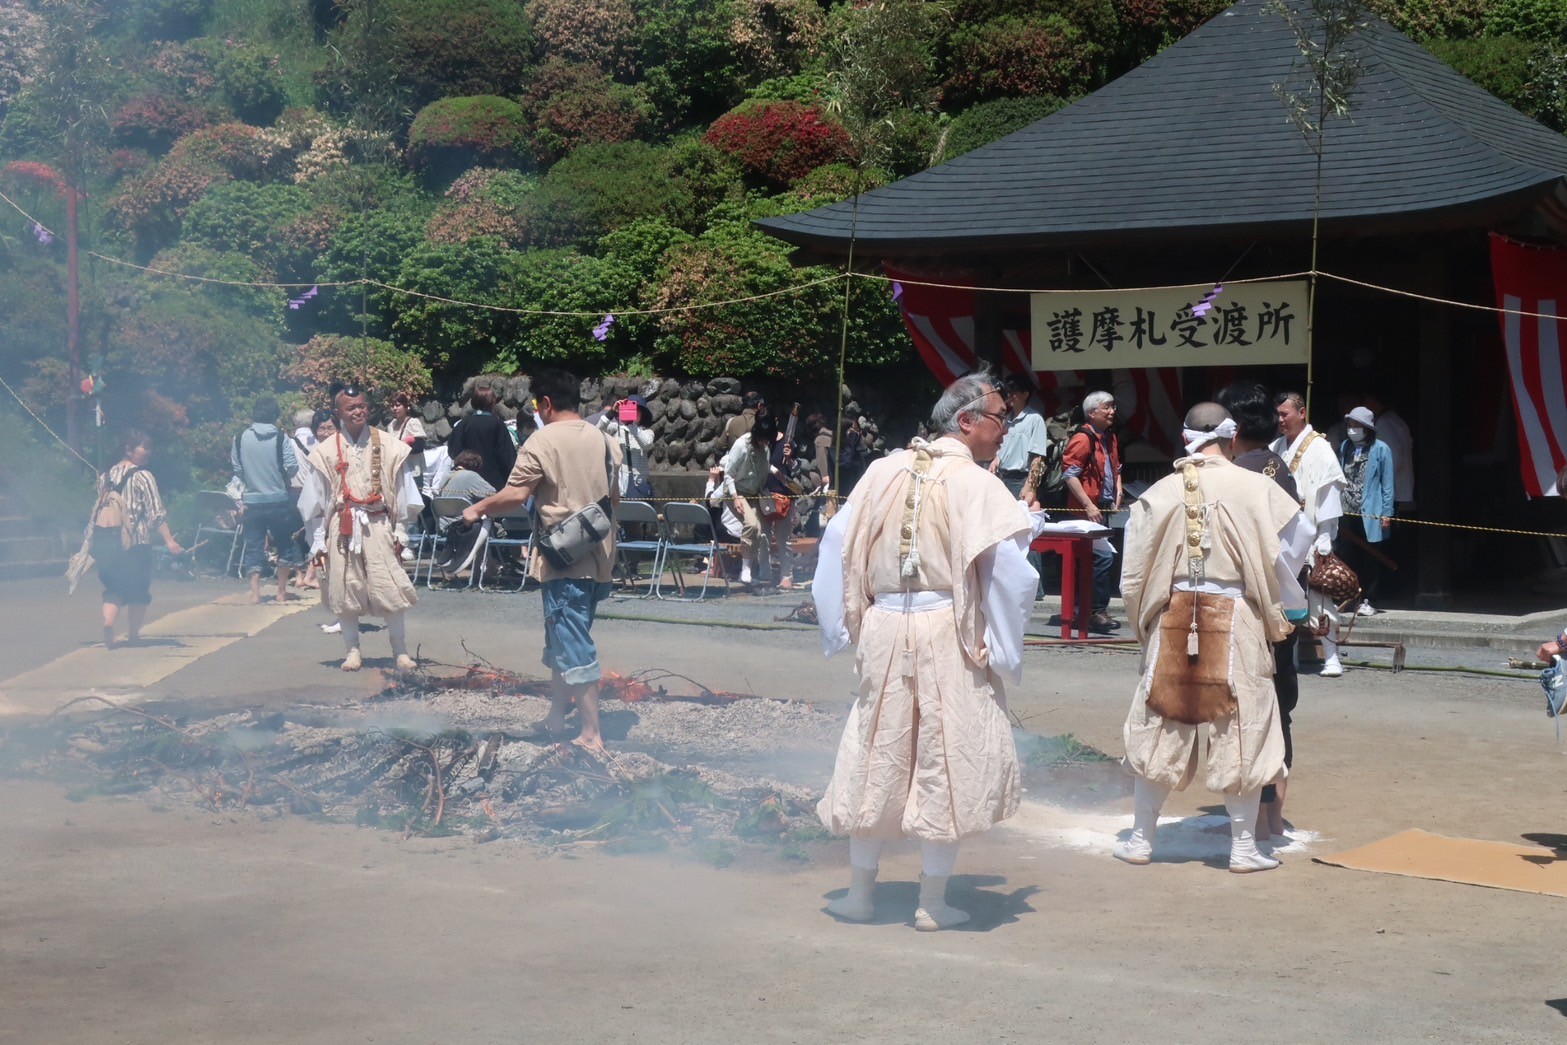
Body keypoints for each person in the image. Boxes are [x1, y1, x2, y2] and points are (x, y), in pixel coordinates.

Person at [814, 368, 1048, 931]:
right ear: (966, 422)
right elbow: (1012, 577)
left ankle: (860, 895)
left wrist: (843, 626)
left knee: (877, 749)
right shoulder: (977, 484)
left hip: (886, 625)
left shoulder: (880, 471)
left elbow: (835, 547)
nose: (1003, 430)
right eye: (1000, 419)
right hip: (948, 626)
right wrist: (1003, 648)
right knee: (949, 753)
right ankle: (932, 901)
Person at [1114, 403, 1311, 874]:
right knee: (1243, 727)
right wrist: (1280, 590)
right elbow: (1299, 538)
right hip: (1236, 610)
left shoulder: (1159, 492)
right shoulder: (1257, 487)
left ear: (1186, 437)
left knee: (1160, 721)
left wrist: (1144, 619)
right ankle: (1243, 848)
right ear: (1231, 433)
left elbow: (1133, 568)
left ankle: (1141, 840)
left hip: (1174, 610)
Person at [463, 369, 622, 751]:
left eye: (537, 404)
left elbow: (516, 495)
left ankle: (591, 733)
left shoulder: (541, 441)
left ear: (546, 404)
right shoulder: (606, 441)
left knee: (572, 642)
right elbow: (616, 501)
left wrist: (478, 509)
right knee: (559, 641)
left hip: (565, 560)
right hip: (600, 556)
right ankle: (555, 718)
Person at [1217, 381, 1309, 842]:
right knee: (1280, 708)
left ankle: (1256, 814)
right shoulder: (1279, 467)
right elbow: (1300, 538)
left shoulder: (1239, 475)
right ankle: (1272, 814)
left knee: (1246, 709)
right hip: (1285, 606)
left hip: (1251, 609)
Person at [298, 385, 422, 672]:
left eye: (362, 406)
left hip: (379, 524)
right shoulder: (325, 451)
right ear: (339, 413)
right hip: (342, 527)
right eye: (350, 407)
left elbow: (404, 492)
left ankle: (400, 651)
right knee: (345, 591)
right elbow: (316, 501)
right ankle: (352, 651)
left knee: (390, 588)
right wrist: (317, 540)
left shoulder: (390, 445)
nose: (358, 411)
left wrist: (401, 530)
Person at [1271, 391, 1348, 676]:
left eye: (1285, 414)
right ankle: (1285, 656)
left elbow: (1329, 489)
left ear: (1301, 413)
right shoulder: (1276, 446)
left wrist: (1326, 533)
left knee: (1320, 595)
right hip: (1281, 530)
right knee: (1282, 595)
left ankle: (1331, 656)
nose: (1280, 420)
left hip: (1312, 529)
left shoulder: (1320, 447)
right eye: (1277, 414)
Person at [90, 430, 184, 648]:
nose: (148, 452)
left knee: (114, 587)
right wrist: (169, 540)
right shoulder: (144, 476)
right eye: (144, 448)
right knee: (139, 589)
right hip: (136, 542)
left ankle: (109, 622)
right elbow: (155, 514)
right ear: (129, 449)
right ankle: (133, 634)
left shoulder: (106, 476)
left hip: (107, 541)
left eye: (150, 448)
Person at [232, 397, 308, 605]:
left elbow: (237, 469)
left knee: (254, 545)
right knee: (285, 544)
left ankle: (255, 593)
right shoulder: (281, 438)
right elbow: (292, 467)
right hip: (278, 499)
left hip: (252, 500)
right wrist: (279, 476)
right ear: (275, 416)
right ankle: (281, 591)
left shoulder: (240, 438)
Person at [1061, 390, 1123, 632]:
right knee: (1102, 558)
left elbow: (1116, 468)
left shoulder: (1109, 437)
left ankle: (1086, 609)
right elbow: (1070, 474)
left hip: (1101, 508)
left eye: (1113, 406)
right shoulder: (1083, 438)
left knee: (1095, 559)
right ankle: (1095, 610)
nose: (1112, 411)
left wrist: (1118, 492)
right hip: (1085, 511)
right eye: (1107, 407)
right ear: (1092, 412)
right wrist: (1088, 504)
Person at [1337, 406, 1395, 616]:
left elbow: (1387, 483)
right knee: (1346, 554)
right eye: (1350, 425)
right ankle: (1349, 596)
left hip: (1370, 510)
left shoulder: (1381, 449)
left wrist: (1387, 512)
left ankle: (1370, 598)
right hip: (1347, 508)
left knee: (1371, 556)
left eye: (1357, 426)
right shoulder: (1345, 446)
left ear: (1367, 428)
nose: (1352, 429)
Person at [719, 411, 778, 587]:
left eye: (767, 440)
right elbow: (728, 474)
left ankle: (748, 569)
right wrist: (736, 498)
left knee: (759, 532)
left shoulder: (765, 448)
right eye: (763, 439)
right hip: (736, 491)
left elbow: (765, 467)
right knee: (751, 524)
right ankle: (745, 569)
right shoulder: (740, 445)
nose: (764, 443)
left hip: (754, 493)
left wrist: (778, 473)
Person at [433, 450, 497, 576]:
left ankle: (486, 567)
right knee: (486, 522)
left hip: (444, 526)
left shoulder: (446, 476)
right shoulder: (470, 476)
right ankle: (484, 568)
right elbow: (492, 494)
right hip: (463, 527)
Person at [446, 383, 517, 491]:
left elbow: (453, 451)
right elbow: (507, 456)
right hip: (494, 482)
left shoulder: (463, 423)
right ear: (492, 403)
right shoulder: (497, 424)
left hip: (467, 481)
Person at [991, 375, 1053, 495]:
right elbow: (1003, 448)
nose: (1009, 396)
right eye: (1008, 392)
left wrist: (1029, 487)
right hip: (1001, 477)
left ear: (1025, 394)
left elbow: (1038, 458)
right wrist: (996, 460)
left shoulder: (1035, 419)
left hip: (1020, 480)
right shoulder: (1006, 419)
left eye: (1013, 392)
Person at [597, 395, 654, 499]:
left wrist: (632, 425)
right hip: (618, 488)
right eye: (631, 410)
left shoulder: (648, 432)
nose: (634, 413)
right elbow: (598, 431)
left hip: (638, 487)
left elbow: (646, 444)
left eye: (637, 411)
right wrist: (612, 413)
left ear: (642, 414)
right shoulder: (616, 428)